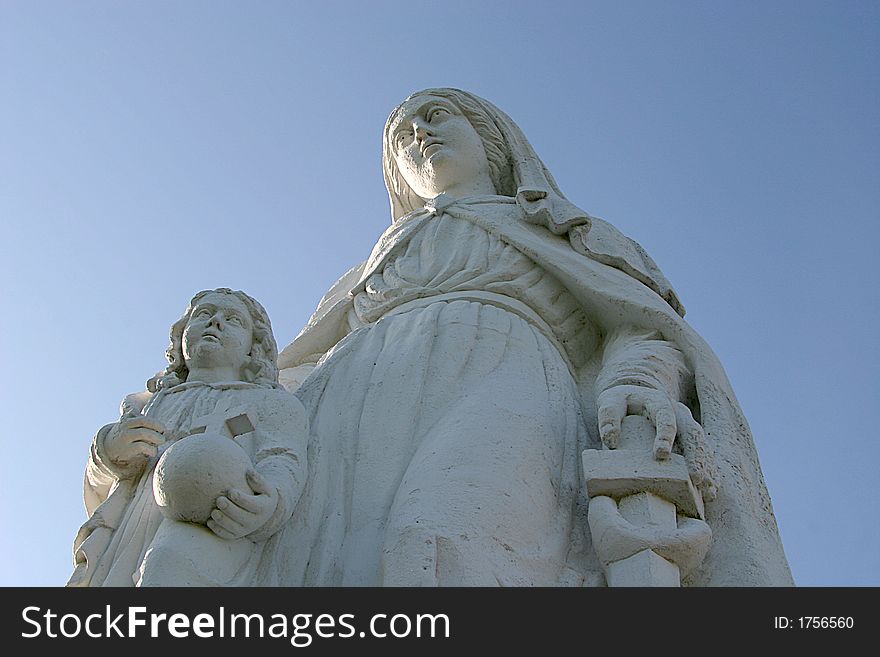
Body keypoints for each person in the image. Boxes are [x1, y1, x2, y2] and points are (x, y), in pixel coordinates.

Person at [277, 88, 792, 586]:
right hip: (348, 401)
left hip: (506, 377)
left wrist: (636, 382)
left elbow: (640, 324)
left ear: (491, 137)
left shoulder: (564, 230)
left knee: (440, 539)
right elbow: (303, 362)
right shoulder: (370, 267)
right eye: (402, 137)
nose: (420, 134)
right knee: (324, 565)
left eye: (436, 115)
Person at [68, 288, 307, 586]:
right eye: (204, 315)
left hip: (214, 524)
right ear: (181, 338)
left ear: (253, 348)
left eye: (233, 320)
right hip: (128, 535)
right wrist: (107, 450)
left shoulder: (270, 402)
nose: (216, 322)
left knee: (168, 566)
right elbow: (101, 485)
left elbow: (283, 460)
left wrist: (269, 504)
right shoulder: (150, 404)